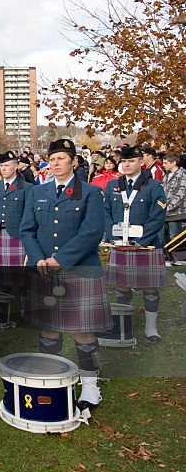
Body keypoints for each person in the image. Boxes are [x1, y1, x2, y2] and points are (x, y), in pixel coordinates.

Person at [19, 138, 109, 408]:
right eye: (52, 159)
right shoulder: (37, 192)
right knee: (50, 328)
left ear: (74, 161)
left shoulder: (91, 192)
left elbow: (92, 232)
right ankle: (52, 377)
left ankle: (90, 386)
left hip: (80, 269)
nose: (55, 163)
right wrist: (38, 260)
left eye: (61, 158)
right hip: (45, 270)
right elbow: (27, 230)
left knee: (83, 330)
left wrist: (60, 259)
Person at [102, 145, 168, 343]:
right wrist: (112, 236)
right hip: (119, 244)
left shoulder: (154, 186)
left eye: (131, 161)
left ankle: (151, 327)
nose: (127, 164)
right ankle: (124, 326)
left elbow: (158, 217)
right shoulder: (113, 185)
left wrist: (141, 241)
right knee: (122, 286)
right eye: (123, 161)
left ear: (141, 162)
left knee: (150, 287)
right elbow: (105, 212)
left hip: (146, 245)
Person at [0, 151, 30, 286]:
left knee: (20, 276)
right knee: (1, 277)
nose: (3, 168)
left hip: (18, 235)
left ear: (16, 166)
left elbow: (29, 216)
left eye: (7, 165)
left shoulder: (27, 188)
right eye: (2, 165)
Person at [162, 152, 185, 246]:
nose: (163, 165)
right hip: (165, 213)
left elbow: (180, 195)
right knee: (163, 237)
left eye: (166, 163)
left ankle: (176, 257)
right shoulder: (166, 176)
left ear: (174, 163)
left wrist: (168, 208)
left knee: (174, 237)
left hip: (177, 213)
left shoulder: (182, 176)